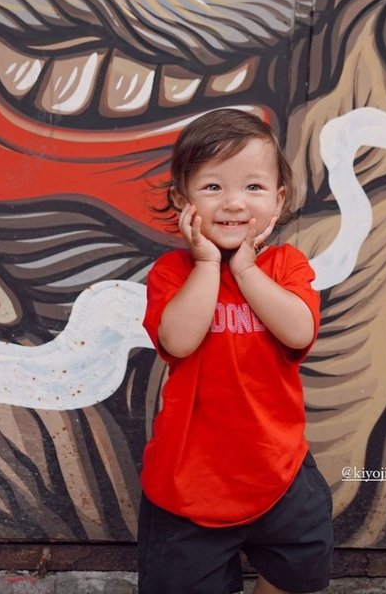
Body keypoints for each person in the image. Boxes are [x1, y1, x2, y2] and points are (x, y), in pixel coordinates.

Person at [139, 108, 333, 594]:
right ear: (182, 201)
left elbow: (297, 331)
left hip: (278, 467)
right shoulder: (174, 272)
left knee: (299, 572)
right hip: (189, 482)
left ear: (278, 200)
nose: (232, 203)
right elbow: (178, 340)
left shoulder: (287, 266)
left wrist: (247, 271)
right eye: (212, 188)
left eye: (253, 187)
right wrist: (208, 263)